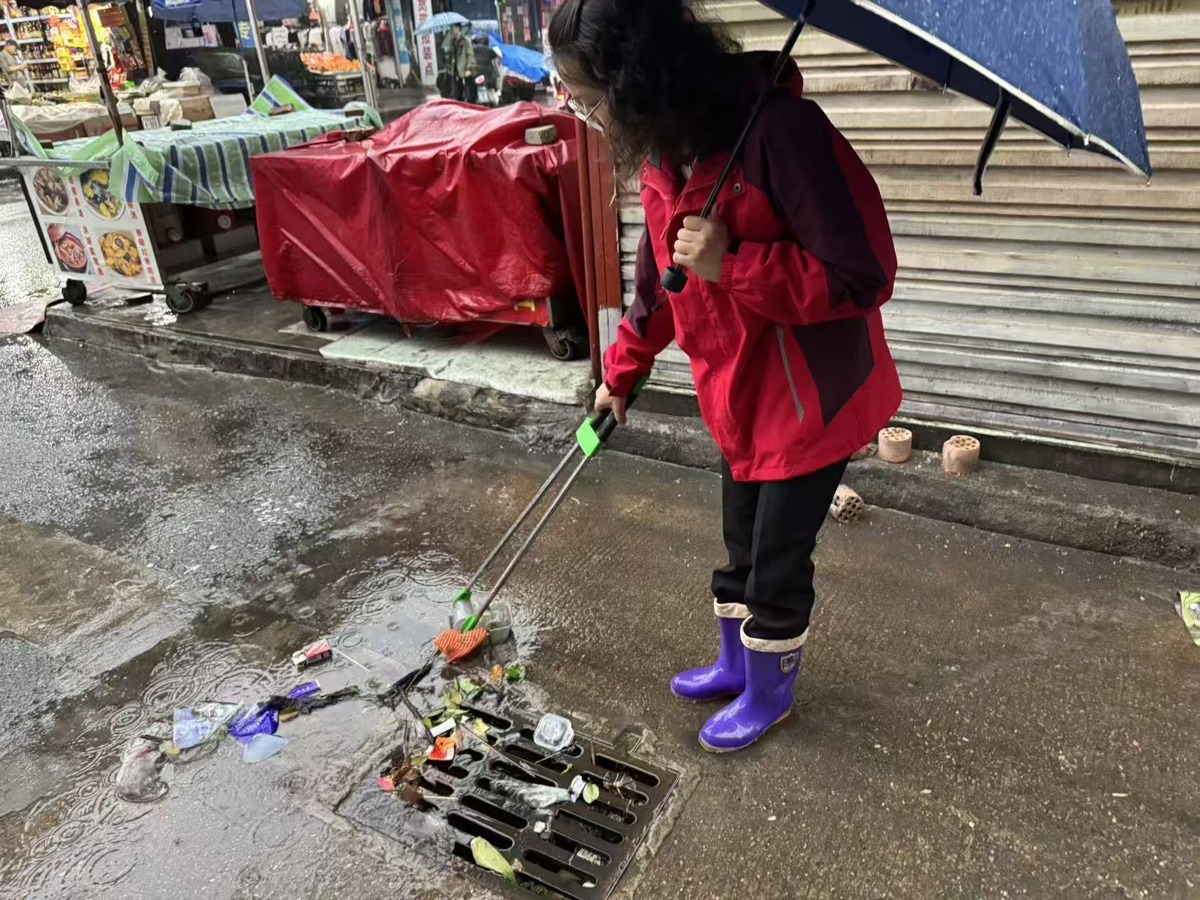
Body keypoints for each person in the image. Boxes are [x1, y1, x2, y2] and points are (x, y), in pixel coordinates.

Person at [549, 0, 902, 753]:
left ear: (633, 83)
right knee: (741, 541)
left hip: (810, 400)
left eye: (585, 98)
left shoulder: (783, 135)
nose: (583, 113)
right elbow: (658, 287)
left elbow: (863, 275)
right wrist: (621, 375)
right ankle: (737, 666)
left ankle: (771, 695)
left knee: (776, 561)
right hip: (736, 395)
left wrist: (733, 263)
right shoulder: (663, 158)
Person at [441, 23, 473, 101]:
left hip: (463, 68)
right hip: (454, 69)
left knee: (466, 91)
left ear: (458, 28)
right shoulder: (452, 41)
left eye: (453, 28)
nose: (451, 30)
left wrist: (468, 68)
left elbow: (470, 55)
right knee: (455, 90)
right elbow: (452, 55)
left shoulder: (465, 40)